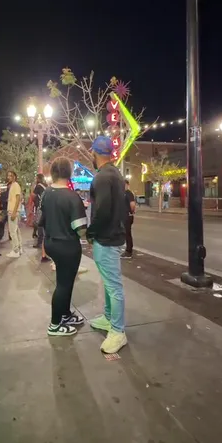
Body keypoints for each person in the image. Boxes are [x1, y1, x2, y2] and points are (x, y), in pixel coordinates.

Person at [87, 137, 127, 355]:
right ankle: (109, 318)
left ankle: (118, 331)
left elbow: (101, 210)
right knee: (109, 282)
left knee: (113, 286)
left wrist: (91, 232)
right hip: (114, 235)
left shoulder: (102, 177)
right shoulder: (116, 174)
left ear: (95, 153)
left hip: (106, 238)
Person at [41, 157, 87, 336]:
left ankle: (65, 314)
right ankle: (54, 325)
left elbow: (41, 220)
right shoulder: (72, 196)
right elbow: (80, 229)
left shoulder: (46, 193)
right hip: (67, 246)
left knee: (64, 281)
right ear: (69, 173)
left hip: (50, 243)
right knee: (64, 284)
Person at [6, 171, 23, 258]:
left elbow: (18, 199)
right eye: (8, 175)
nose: (8, 177)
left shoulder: (15, 185)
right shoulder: (13, 185)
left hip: (13, 211)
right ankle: (19, 249)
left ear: (14, 177)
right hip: (13, 211)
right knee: (15, 231)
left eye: (10, 176)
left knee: (13, 232)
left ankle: (15, 250)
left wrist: (14, 212)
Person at [122, 180, 135, 259]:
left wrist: (131, 212)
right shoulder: (123, 193)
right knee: (125, 233)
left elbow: (132, 204)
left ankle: (129, 251)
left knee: (127, 234)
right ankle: (128, 249)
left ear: (127, 185)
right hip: (124, 216)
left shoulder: (128, 193)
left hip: (127, 216)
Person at [33, 174, 47, 248]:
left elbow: (33, 195)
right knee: (45, 224)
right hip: (46, 207)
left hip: (40, 207)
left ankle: (40, 242)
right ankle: (46, 241)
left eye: (36, 178)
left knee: (39, 224)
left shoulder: (38, 186)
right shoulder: (46, 185)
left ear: (38, 179)